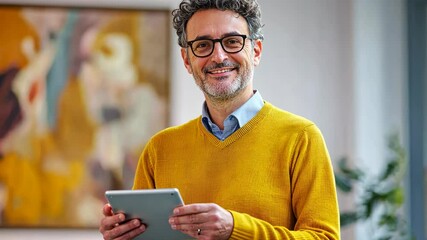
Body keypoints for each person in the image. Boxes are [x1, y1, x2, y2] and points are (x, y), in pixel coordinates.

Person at [99, 0, 340, 239]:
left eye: (232, 42)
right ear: (187, 60)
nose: (218, 56)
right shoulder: (159, 149)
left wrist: (236, 228)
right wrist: (123, 234)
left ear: (255, 51)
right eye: (203, 45)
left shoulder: (301, 138)